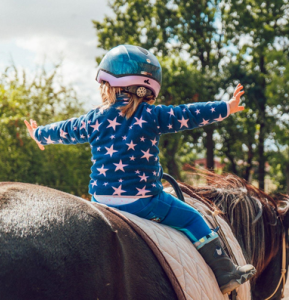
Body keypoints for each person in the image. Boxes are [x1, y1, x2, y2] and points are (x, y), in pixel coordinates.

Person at [25, 44, 256, 294]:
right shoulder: (152, 115)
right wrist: (226, 107)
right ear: (148, 89)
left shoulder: (93, 118)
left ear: (107, 85)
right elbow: (189, 114)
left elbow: (66, 130)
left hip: (100, 201)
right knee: (192, 218)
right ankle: (225, 272)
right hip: (143, 202)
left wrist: (39, 134)